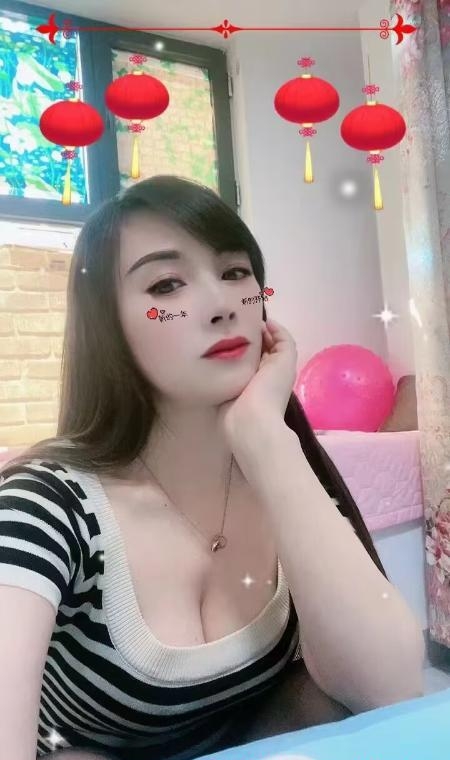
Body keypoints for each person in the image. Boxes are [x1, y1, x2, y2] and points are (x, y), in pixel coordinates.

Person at [0, 176, 424, 760]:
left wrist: (265, 438)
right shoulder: (44, 506)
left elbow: (389, 691)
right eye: (167, 284)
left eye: (235, 272)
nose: (223, 305)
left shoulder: (279, 468)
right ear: (107, 327)